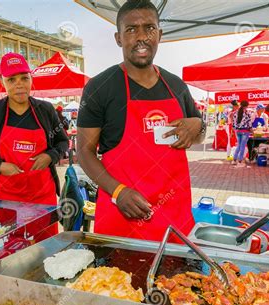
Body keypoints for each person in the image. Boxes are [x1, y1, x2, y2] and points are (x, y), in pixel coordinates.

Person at [77, 0, 205, 243]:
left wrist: (199, 126)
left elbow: (197, 134)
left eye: (149, 28)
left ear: (160, 34)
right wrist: (117, 192)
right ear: (118, 38)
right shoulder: (100, 88)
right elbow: (84, 152)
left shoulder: (176, 86)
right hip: (121, 219)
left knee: (178, 281)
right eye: (131, 29)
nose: (142, 37)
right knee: (114, 281)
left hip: (174, 220)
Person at [0, 52, 68, 241]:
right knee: (5, 247)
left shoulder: (45, 110)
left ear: (31, 79)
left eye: (24, 78)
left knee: (44, 247)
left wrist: (50, 156)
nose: (19, 84)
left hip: (42, 195)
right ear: (2, 82)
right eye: (11, 79)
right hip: (4, 196)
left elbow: (63, 142)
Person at [231, 100, 253, 167]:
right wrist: (252, 130)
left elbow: (234, 124)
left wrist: (234, 130)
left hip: (238, 131)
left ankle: (234, 160)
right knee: (242, 146)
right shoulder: (247, 113)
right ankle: (240, 160)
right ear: (246, 106)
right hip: (245, 131)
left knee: (239, 146)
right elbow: (249, 124)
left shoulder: (235, 113)